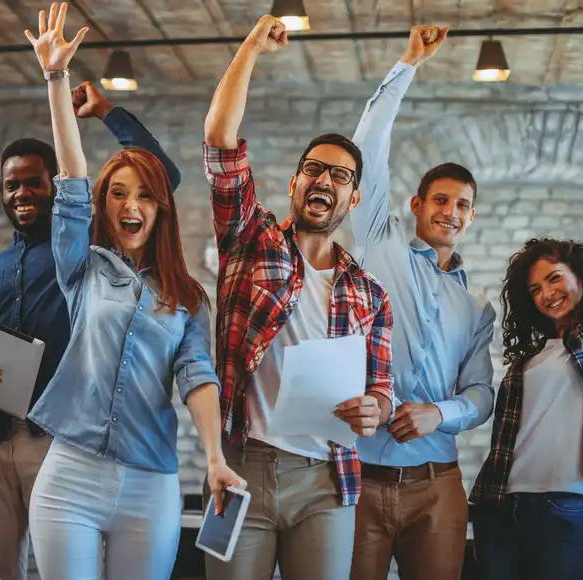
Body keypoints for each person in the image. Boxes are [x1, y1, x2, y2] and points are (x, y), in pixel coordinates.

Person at [0, 32, 181, 580]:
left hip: (57, 442)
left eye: (33, 183)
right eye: (11, 186)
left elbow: (162, 178)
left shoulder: (85, 255)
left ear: (55, 186)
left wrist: (105, 111)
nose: (22, 193)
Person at [21, 4, 243, 579]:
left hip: (150, 482)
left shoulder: (187, 298)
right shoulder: (83, 267)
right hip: (70, 474)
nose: (131, 204)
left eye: (144, 194)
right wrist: (55, 77)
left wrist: (215, 457)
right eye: (118, 193)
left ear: (160, 208)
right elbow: (71, 175)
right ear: (104, 204)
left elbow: (198, 376)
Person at [202, 14, 395, 580]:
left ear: (353, 199)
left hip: (327, 478)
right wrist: (251, 48)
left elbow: (382, 389)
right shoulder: (249, 239)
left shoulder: (370, 294)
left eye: (340, 176)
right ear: (294, 184)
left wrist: (376, 408)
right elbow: (219, 140)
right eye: (313, 169)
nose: (324, 180)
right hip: (240, 466)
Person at [348, 26, 496, 580]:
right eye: (440, 199)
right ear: (416, 204)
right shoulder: (379, 242)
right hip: (360, 479)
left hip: (438, 485)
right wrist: (408, 63)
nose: (450, 211)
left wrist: (440, 413)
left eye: (462, 205)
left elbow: (481, 394)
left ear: (472, 216)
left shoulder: (478, 307)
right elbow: (367, 148)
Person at [470, 116, 583, 580]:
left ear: (582, 277)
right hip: (500, 506)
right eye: (536, 289)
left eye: (555, 278)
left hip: (565, 509)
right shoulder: (531, 357)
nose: (547, 294)